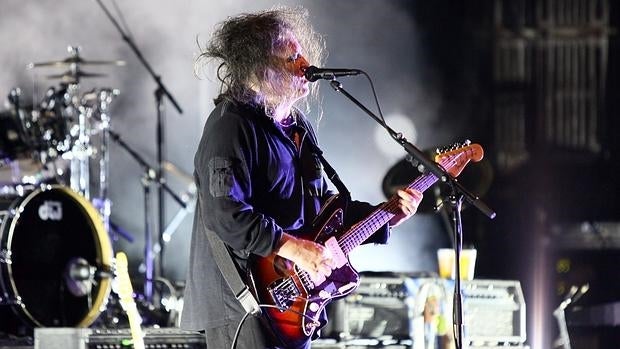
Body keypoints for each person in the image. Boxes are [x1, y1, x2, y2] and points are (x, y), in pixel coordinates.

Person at [180, 7, 423, 349]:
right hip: (242, 300)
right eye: (291, 56)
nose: (305, 63)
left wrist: (388, 215)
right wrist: (294, 249)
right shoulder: (231, 125)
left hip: (292, 301)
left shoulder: (298, 128)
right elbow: (225, 214)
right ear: (259, 66)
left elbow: (323, 212)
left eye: (302, 52)